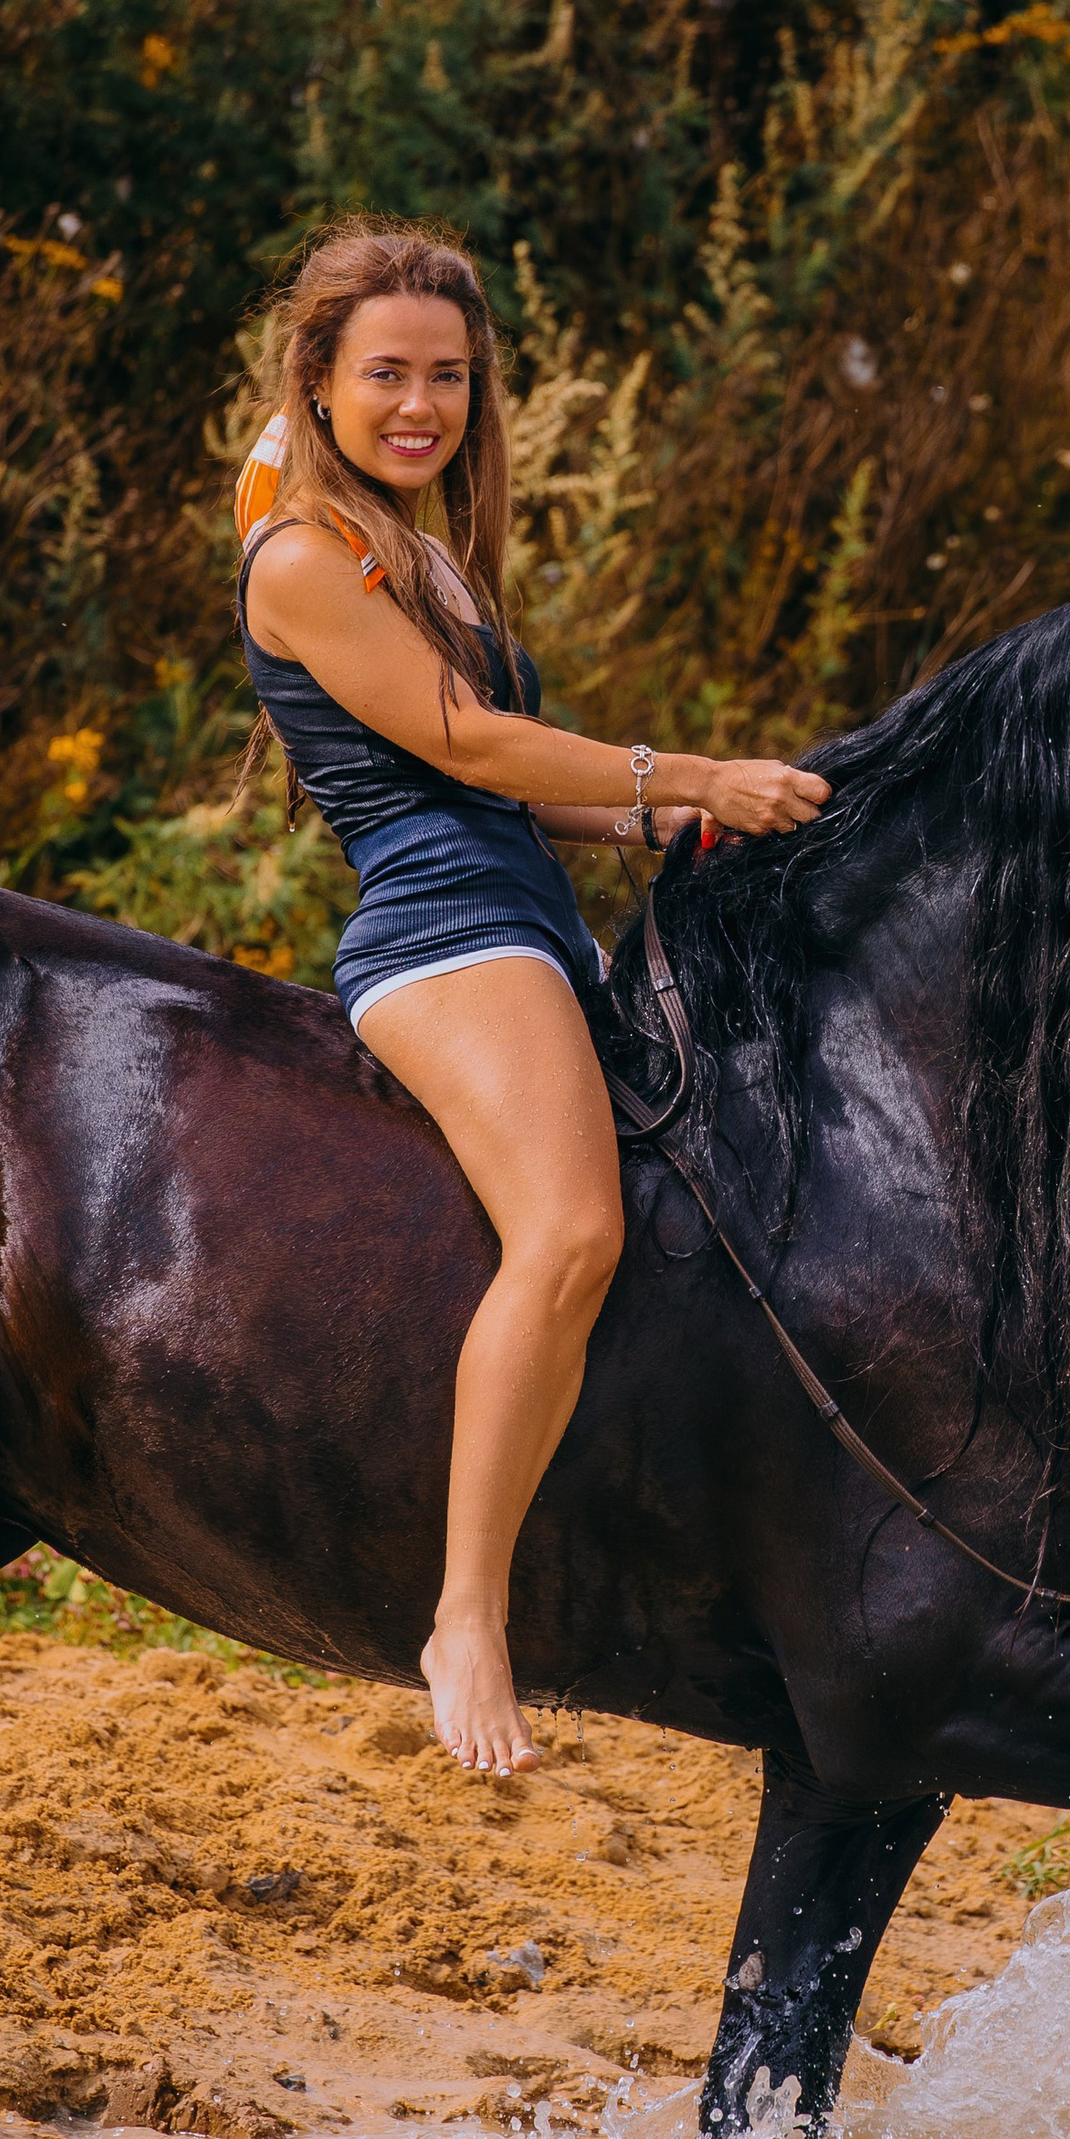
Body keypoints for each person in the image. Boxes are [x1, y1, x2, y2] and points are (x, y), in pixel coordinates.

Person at [232, 220, 828, 1776]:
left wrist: (670, 817)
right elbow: (469, 749)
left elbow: (515, 784)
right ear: (320, 378)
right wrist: (681, 768)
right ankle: (468, 1612)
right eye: (384, 375)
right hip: (441, 933)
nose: (419, 403)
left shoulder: (420, 545)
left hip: (525, 910)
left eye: (446, 375)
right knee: (571, 1233)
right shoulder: (303, 556)